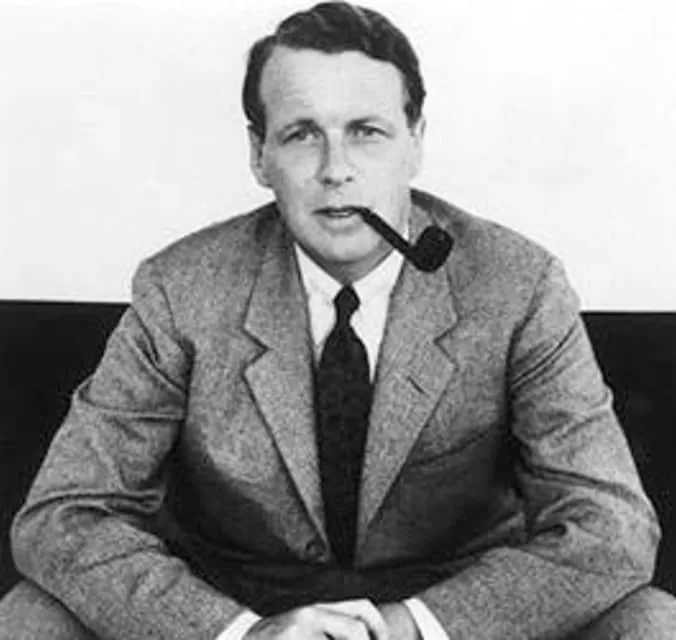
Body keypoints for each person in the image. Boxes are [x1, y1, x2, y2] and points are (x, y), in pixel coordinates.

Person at [1, 2, 675, 638]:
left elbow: (611, 526)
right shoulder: (180, 289)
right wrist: (240, 632)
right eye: (301, 135)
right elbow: (64, 514)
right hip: (243, 609)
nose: (335, 170)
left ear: (416, 142)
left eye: (366, 132)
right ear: (259, 155)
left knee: (654, 621)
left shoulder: (518, 285)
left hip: (449, 621)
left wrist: (409, 627)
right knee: (26, 618)